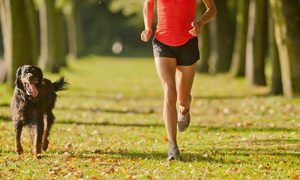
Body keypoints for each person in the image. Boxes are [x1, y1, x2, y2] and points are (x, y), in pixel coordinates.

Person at [141, 0, 217, 161]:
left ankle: (185, 108)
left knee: (182, 98)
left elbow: (212, 9)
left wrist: (199, 22)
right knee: (169, 93)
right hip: (162, 42)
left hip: (188, 42)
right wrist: (148, 27)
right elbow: (148, 4)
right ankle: (173, 147)